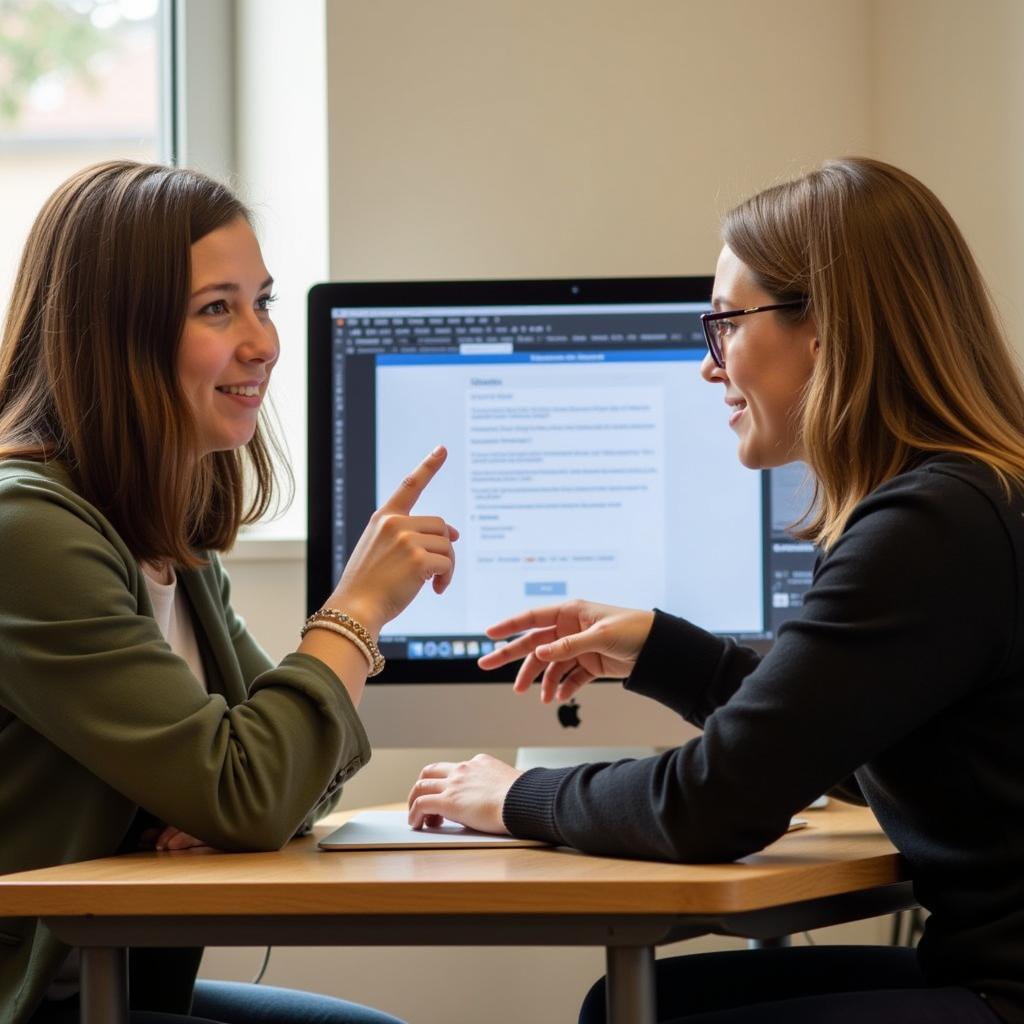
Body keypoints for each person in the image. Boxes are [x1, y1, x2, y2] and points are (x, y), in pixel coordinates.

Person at [407, 156, 1024, 1023]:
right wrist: (665, 649)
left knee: (633, 1013)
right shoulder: (972, 497)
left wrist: (515, 798)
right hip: (983, 974)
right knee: (637, 1004)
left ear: (828, 328)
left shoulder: (930, 529)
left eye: (725, 323)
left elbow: (711, 805)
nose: (709, 365)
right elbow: (836, 748)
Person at [0, 160, 458, 1024]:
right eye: (218, 308)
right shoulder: (26, 531)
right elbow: (258, 783)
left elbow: (300, 767)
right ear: (116, 337)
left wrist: (242, 792)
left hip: (109, 985)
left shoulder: (168, 539)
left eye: (264, 302)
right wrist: (352, 613)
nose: (264, 342)